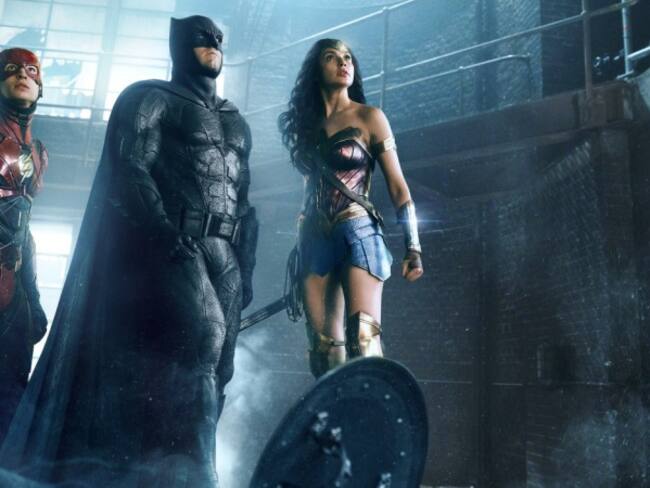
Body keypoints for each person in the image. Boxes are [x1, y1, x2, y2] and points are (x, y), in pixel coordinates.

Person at [0, 16, 257, 487]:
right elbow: (130, 166)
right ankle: (201, 476)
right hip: (175, 242)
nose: (214, 43)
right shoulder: (150, 98)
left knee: (222, 364)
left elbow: (243, 197)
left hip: (226, 252)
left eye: (219, 37)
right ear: (179, 45)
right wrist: (160, 229)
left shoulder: (235, 121)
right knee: (205, 339)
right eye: (201, 36)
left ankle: (178, 468)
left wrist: (249, 263)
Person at [278, 39, 423, 378]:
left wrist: (413, 246)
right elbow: (308, 190)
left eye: (348, 58)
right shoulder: (308, 127)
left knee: (364, 340)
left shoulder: (370, 117)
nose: (344, 63)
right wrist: (300, 247)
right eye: (332, 57)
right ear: (317, 70)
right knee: (323, 352)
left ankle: (372, 409)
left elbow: (398, 186)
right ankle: (337, 413)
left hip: (358, 233)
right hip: (314, 239)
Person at [0, 47, 48, 445]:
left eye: (31, 71)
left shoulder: (38, 151)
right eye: (12, 70)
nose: (22, 76)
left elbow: (24, 225)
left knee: (12, 390)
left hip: (13, 280)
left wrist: (32, 293)